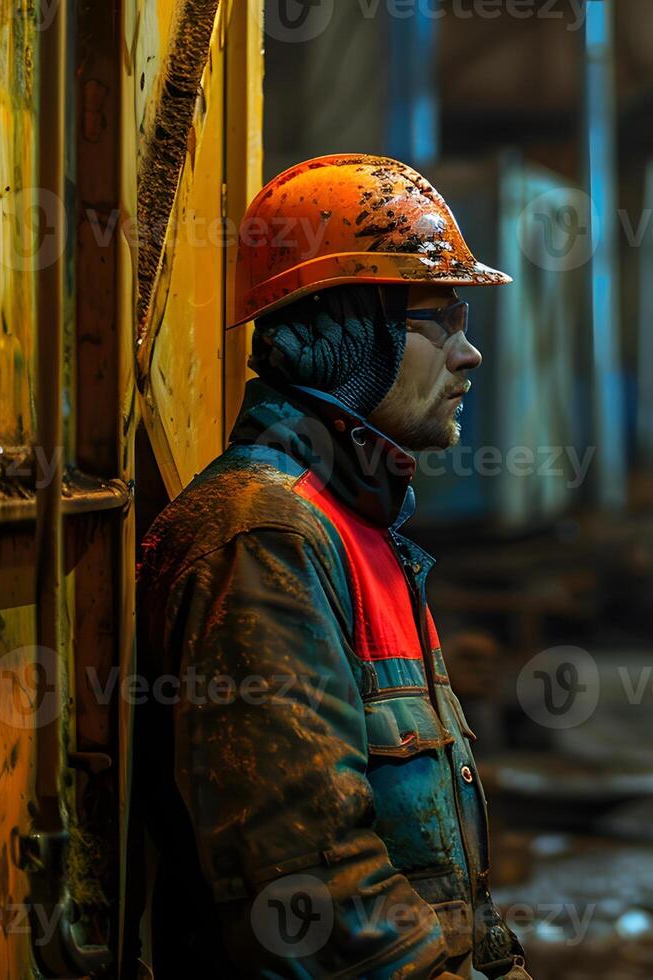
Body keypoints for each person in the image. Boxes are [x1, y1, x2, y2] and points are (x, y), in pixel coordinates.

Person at [136, 154, 529, 979]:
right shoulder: (264, 538)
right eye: (438, 320)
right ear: (351, 335)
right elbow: (315, 888)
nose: (470, 355)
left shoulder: (359, 529)